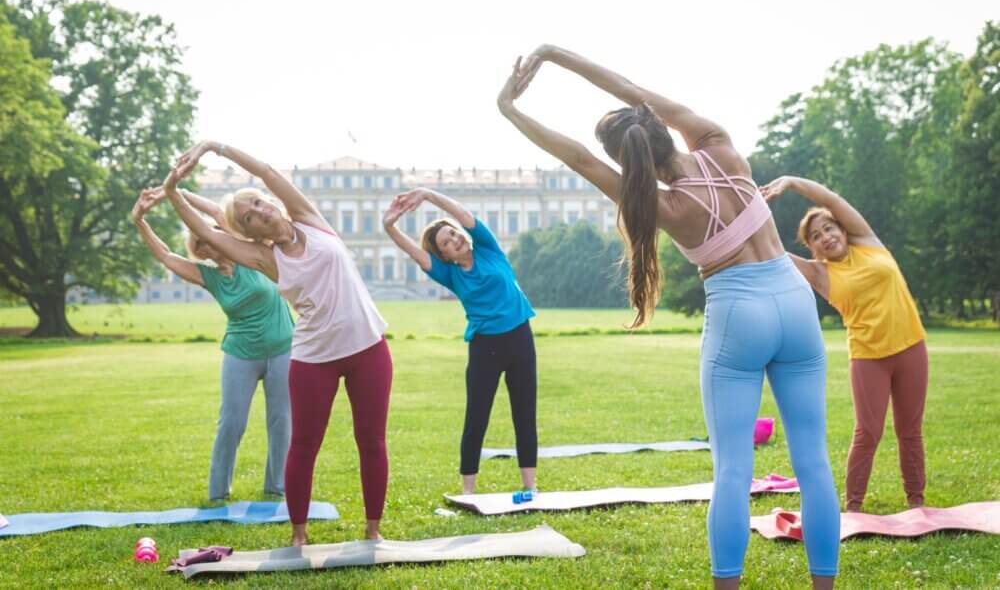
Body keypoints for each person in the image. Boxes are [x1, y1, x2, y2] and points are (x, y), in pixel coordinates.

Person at [497, 46, 840, 589]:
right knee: (814, 463)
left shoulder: (664, 205)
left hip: (736, 314)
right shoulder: (717, 144)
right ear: (659, 127)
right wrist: (554, 56)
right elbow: (630, 87)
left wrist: (511, 110)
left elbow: (581, 161)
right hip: (794, 301)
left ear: (629, 161)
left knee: (732, 470)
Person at [163, 141, 391, 546]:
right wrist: (171, 190)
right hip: (313, 356)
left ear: (270, 201)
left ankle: (373, 529)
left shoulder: (309, 218)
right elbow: (202, 230)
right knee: (304, 443)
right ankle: (299, 534)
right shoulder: (264, 259)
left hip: (367, 348)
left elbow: (266, 171)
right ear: (249, 231)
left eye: (258, 203)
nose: (260, 211)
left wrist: (214, 147)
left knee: (370, 440)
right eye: (249, 217)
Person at [761, 175, 928, 512]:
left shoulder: (868, 242)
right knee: (867, 433)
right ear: (813, 247)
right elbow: (768, 248)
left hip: (911, 347)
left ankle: (916, 502)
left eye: (829, 229)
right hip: (869, 358)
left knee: (910, 430)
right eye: (816, 237)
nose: (826, 237)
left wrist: (791, 183)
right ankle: (853, 507)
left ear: (842, 229)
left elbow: (832, 199)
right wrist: (752, 211)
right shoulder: (819, 273)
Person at [131, 186, 293, 502]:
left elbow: (220, 213)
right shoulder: (209, 276)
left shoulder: (251, 252)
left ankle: (277, 486)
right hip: (241, 354)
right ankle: (218, 493)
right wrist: (139, 220)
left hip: (283, 347)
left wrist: (175, 191)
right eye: (201, 240)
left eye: (214, 233)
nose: (210, 239)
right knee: (232, 423)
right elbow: (165, 254)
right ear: (201, 250)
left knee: (281, 419)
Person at [382, 187, 537, 494]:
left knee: (524, 412)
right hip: (485, 348)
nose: (454, 240)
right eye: (446, 243)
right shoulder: (449, 274)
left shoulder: (488, 248)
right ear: (444, 256)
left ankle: (530, 487)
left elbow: (464, 216)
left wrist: (427, 194)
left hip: (520, 338)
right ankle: (468, 490)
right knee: (477, 416)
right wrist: (389, 226)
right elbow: (414, 252)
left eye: (453, 234)